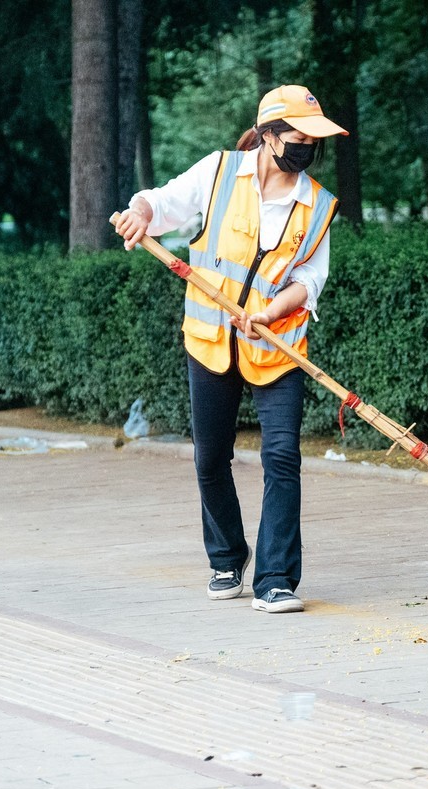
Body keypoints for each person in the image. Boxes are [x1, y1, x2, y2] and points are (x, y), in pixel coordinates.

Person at [113, 85, 347, 614]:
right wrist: (140, 212)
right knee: (210, 459)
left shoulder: (317, 205)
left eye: (316, 139)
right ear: (268, 137)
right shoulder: (219, 172)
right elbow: (164, 202)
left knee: (282, 457)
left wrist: (269, 313)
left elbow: (310, 280)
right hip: (210, 341)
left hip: (276, 346)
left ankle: (276, 579)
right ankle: (226, 556)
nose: (309, 147)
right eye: (299, 136)